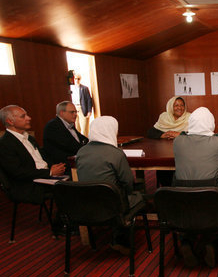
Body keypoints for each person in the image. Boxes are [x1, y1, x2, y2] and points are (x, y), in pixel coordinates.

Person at [173, 107, 218, 268]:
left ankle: (187, 242)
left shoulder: (178, 142)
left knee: (192, 205)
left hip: (182, 202)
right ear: (211, 123)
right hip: (213, 203)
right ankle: (212, 243)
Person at [76, 116, 143, 255]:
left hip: (85, 204)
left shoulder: (81, 152)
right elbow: (128, 182)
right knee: (138, 196)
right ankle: (121, 238)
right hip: (113, 205)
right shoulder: (116, 153)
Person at [0, 105, 66, 203]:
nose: (29, 118)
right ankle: (64, 217)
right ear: (10, 121)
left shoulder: (30, 138)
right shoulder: (5, 143)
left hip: (43, 177)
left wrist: (54, 167)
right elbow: (17, 173)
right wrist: (49, 172)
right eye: (23, 116)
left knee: (76, 180)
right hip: (27, 185)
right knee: (69, 189)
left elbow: (42, 159)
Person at [43, 101, 88, 175]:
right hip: (63, 168)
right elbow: (70, 146)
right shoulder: (53, 126)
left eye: (76, 112)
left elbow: (83, 139)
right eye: (72, 112)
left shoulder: (69, 125)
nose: (75, 114)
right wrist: (88, 149)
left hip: (75, 163)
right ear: (61, 113)